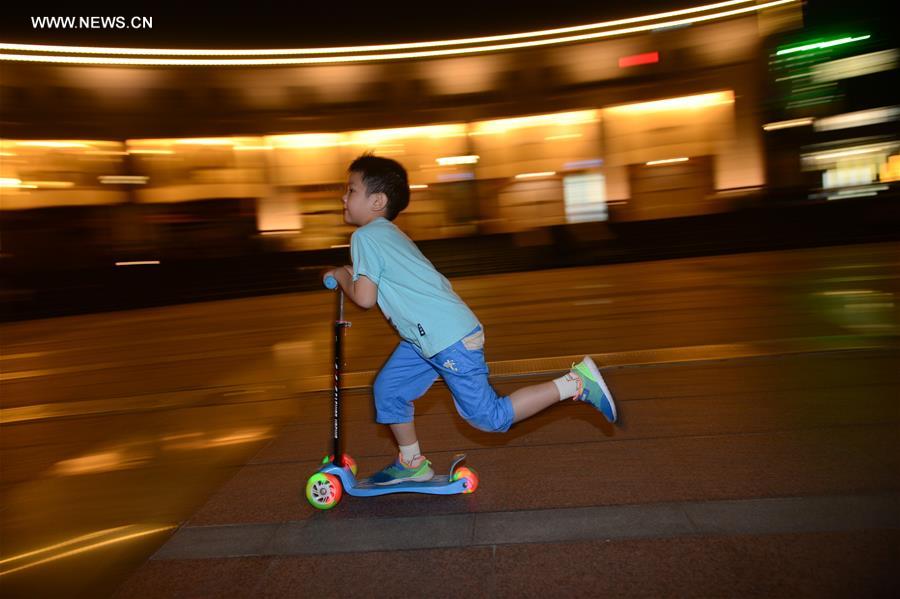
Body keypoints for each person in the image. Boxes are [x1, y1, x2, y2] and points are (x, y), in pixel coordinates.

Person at [324, 154, 618, 485]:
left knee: (490, 417)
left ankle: (576, 383)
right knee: (389, 389)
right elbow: (383, 278)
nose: (343, 197)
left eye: (351, 190)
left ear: (377, 201)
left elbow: (365, 297)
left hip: (446, 339)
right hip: (426, 338)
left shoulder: (364, 237)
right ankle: (411, 463)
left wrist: (340, 274)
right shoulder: (388, 234)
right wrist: (351, 273)